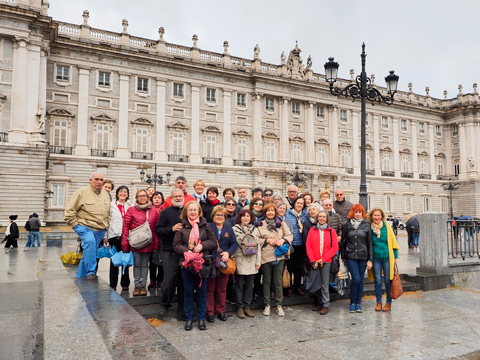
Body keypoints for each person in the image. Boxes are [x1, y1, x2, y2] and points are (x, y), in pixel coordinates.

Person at [173, 201, 217, 331]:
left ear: (199, 212)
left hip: (202, 263)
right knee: (187, 291)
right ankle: (189, 318)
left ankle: (201, 318)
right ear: (186, 212)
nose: (192, 212)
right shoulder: (182, 227)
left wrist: (202, 245)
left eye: (195, 210)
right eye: (190, 210)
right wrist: (186, 251)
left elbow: (213, 242)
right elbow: (176, 245)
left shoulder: (205, 226)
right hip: (187, 263)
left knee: (202, 291)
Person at [64, 172, 111, 279]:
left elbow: (108, 212)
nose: (99, 182)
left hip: (100, 229)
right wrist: (76, 225)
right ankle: (91, 272)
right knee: (89, 243)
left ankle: (80, 276)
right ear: (90, 180)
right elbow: (69, 210)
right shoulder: (81, 192)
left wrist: (106, 225)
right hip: (85, 227)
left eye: (101, 180)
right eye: (97, 179)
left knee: (90, 253)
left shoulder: (105, 194)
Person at [121, 189, 160, 296]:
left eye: (144, 195)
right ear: (137, 198)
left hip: (148, 242)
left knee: (144, 265)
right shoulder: (131, 210)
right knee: (137, 264)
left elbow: (156, 228)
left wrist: (156, 244)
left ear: (148, 197)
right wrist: (124, 243)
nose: (142, 197)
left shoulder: (153, 211)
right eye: (140, 196)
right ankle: (137, 285)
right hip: (135, 242)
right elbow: (125, 227)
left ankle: (143, 286)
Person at [257, 204, 293, 317]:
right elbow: (256, 238)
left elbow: (290, 235)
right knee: (266, 281)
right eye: (268, 211)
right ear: (265, 212)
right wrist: (267, 240)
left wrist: (283, 240)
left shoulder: (281, 223)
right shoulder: (260, 224)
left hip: (279, 255)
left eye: (272, 211)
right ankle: (267, 304)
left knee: (278, 281)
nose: (270, 213)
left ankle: (279, 305)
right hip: (266, 256)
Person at [155, 189, 186, 320]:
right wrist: (171, 229)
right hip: (169, 250)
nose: (178, 198)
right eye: (176, 196)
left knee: (183, 281)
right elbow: (158, 230)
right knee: (169, 280)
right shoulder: (166, 212)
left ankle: (182, 309)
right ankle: (165, 303)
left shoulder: (188, 211)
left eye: (180, 196)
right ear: (171, 198)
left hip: (184, 251)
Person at [206, 206, 238, 323]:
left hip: (224, 262)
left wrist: (228, 252)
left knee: (221, 288)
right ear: (213, 216)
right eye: (217, 215)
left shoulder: (229, 229)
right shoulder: (208, 227)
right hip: (211, 262)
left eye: (221, 215)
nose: (219, 217)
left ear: (225, 217)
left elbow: (234, 243)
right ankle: (209, 312)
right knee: (210, 288)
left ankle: (221, 311)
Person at [306, 210, 339, 315]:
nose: (322, 218)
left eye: (324, 216)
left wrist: (323, 259)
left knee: (324, 283)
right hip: (315, 261)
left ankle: (326, 304)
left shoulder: (331, 231)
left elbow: (335, 247)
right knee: (316, 283)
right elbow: (308, 246)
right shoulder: (312, 230)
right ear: (317, 218)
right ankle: (319, 302)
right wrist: (313, 260)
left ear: (327, 218)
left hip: (326, 261)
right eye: (320, 216)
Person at [341, 204, 373, 313]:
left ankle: (358, 302)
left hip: (363, 256)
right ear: (352, 213)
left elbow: (370, 244)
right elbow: (343, 241)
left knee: (360, 281)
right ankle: (352, 302)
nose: (358, 214)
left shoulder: (367, 225)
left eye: (359, 212)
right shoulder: (346, 224)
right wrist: (342, 255)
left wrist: (370, 259)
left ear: (362, 213)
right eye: (356, 212)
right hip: (350, 256)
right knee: (356, 279)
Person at [367, 207, 399, 312]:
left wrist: (395, 256)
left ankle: (388, 302)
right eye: (375, 215)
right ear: (371, 216)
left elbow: (393, 242)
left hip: (387, 257)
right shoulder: (369, 228)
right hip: (376, 258)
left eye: (378, 215)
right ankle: (379, 302)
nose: (376, 217)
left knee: (387, 280)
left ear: (382, 216)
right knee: (378, 280)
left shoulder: (387, 227)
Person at [233, 209, 261, 319]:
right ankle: (239, 307)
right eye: (243, 216)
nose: (245, 218)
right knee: (239, 285)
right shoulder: (235, 229)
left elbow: (258, 246)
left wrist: (258, 261)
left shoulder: (255, 229)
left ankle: (247, 306)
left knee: (250, 285)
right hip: (240, 259)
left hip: (252, 260)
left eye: (248, 216)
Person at [106, 185, 132, 291]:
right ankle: (113, 283)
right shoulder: (111, 205)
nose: (123, 193)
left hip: (127, 236)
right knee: (114, 261)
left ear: (127, 194)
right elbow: (107, 220)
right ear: (117, 193)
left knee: (125, 260)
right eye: (121, 191)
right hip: (114, 235)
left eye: (125, 192)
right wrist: (105, 236)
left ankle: (125, 283)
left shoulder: (130, 205)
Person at [285, 196, 308, 296]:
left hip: (301, 244)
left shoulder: (305, 215)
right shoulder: (288, 215)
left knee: (299, 267)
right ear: (294, 203)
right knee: (290, 266)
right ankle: (289, 287)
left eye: (301, 203)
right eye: (298, 203)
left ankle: (297, 286)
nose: (299, 205)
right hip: (291, 244)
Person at [149, 191, 165, 289]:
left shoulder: (164, 210)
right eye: (155, 197)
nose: (157, 199)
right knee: (152, 261)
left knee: (161, 261)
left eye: (159, 197)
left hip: (161, 238)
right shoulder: (149, 210)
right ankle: (152, 280)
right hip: (150, 238)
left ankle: (160, 279)